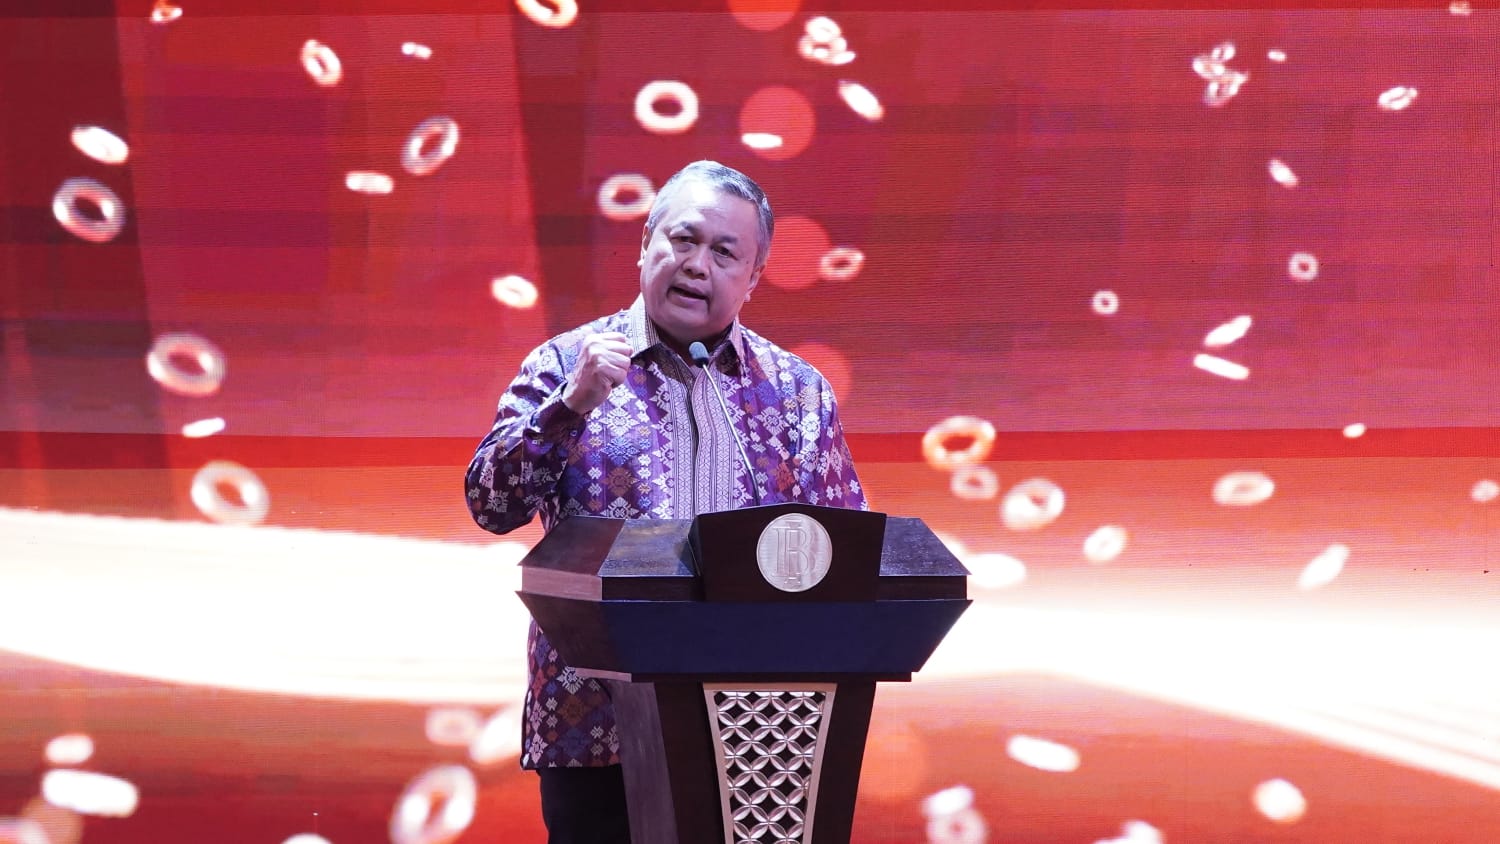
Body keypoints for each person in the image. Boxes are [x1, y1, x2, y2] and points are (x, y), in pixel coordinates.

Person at [464, 160, 867, 843]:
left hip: (758, 734)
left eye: (724, 253)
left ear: (753, 279)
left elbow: (845, 559)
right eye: (683, 240)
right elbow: (490, 504)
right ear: (646, 241)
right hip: (597, 728)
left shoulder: (798, 393)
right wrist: (568, 408)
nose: (697, 265)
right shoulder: (565, 366)